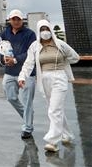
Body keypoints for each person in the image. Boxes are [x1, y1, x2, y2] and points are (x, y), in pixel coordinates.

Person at [18, 19, 80, 153]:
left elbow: (75, 57)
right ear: (38, 31)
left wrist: (64, 62)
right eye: (41, 30)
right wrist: (22, 76)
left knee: (54, 110)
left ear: (50, 30)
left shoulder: (60, 44)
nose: (44, 32)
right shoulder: (35, 46)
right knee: (55, 109)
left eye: (46, 29)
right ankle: (67, 135)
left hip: (59, 77)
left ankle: (52, 141)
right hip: (44, 79)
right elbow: (29, 63)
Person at [0, 9, 37, 140]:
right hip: (10, 72)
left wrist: (15, 59)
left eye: (18, 19)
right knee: (11, 97)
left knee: (28, 101)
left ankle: (27, 128)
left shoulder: (30, 34)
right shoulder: (5, 33)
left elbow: (31, 52)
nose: (16, 21)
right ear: (9, 20)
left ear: (22, 20)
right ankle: (28, 116)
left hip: (27, 73)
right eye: (14, 19)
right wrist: (2, 58)